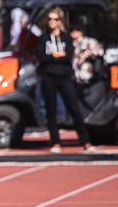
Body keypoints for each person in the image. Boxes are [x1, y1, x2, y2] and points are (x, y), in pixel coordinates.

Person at [36, 8, 93, 153]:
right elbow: (43, 58)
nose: (52, 22)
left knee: (73, 107)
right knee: (51, 110)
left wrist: (56, 57)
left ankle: (85, 140)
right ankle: (55, 142)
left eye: (55, 19)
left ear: (60, 21)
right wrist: (56, 56)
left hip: (65, 76)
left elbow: (68, 58)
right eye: (49, 19)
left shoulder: (66, 38)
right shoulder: (43, 38)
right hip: (49, 76)